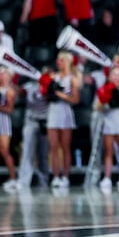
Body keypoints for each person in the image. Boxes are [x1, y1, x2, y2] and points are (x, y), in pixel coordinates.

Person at [93, 66, 119, 192]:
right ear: (109, 77)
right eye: (113, 75)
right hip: (109, 121)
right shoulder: (104, 88)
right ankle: (107, 177)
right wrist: (105, 98)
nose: (116, 77)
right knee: (108, 151)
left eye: (118, 74)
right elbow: (97, 107)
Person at [46, 51, 81, 188]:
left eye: (61, 60)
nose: (58, 62)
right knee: (53, 147)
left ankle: (65, 176)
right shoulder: (52, 77)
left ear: (67, 62)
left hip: (65, 113)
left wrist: (60, 94)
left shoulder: (73, 78)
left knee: (65, 147)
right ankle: (55, 176)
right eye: (58, 60)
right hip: (53, 112)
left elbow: (75, 99)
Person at [17, 67, 52, 188]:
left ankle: (44, 180)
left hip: (45, 122)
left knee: (43, 154)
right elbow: (19, 91)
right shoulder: (29, 86)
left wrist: (48, 89)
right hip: (31, 121)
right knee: (27, 151)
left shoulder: (53, 87)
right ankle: (23, 180)